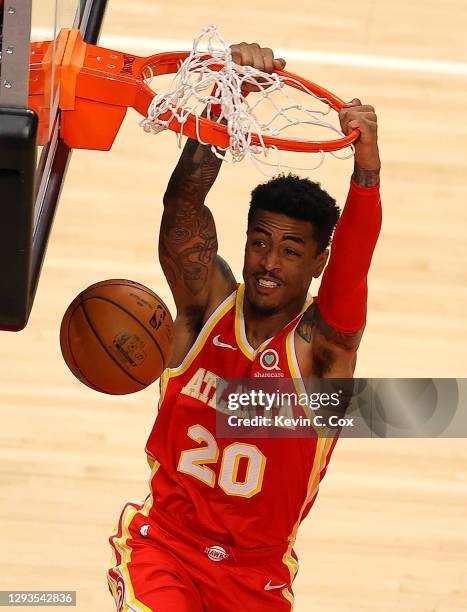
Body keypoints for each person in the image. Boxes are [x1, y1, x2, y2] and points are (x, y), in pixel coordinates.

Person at [107, 42, 381, 611]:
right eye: (260, 243)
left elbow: (354, 270)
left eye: (289, 250)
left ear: (317, 263)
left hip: (256, 577)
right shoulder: (203, 308)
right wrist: (225, 100)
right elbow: (182, 206)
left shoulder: (320, 354)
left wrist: (368, 172)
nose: (269, 264)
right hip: (166, 550)